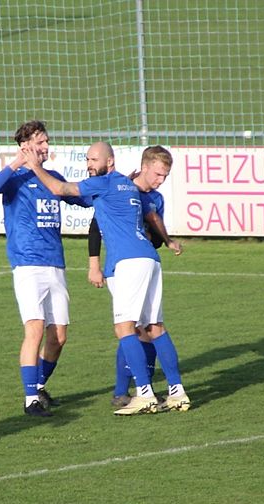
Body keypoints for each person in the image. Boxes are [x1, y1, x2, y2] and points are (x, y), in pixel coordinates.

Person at [24, 144, 190, 415]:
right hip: (149, 258)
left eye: (94, 159)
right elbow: (144, 212)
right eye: (87, 159)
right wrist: (168, 241)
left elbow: (59, 188)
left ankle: (144, 394)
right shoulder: (126, 185)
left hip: (128, 261)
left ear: (110, 161)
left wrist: (34, 166)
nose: (89, 164)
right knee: (155, 327)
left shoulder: (105, 183)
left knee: (125, 328)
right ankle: (177, 392)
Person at [0, 120, 91, 418]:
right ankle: (30, 399)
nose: (46, 146)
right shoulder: (15, 179)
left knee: (59, 336)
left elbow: (84, 200)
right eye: (40, 142)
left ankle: (39, 385)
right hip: (28, 264)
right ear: (25, 146)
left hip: (55, 263)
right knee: (34, 329)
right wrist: (18, 162)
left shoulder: (53, 178)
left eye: (46, 141)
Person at [81, 142, 182, 408]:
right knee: (134, 328)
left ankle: (142, 390)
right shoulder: (121, 187)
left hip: (139, 262)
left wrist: (158, 238)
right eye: (158, 174)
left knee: (143, 329)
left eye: (165, 176)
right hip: (121, 265)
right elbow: (95, 227)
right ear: (144, 168)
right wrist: (94, 264)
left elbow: (154, 240)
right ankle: (124, 390)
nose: (160, 181)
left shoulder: (156, 200)